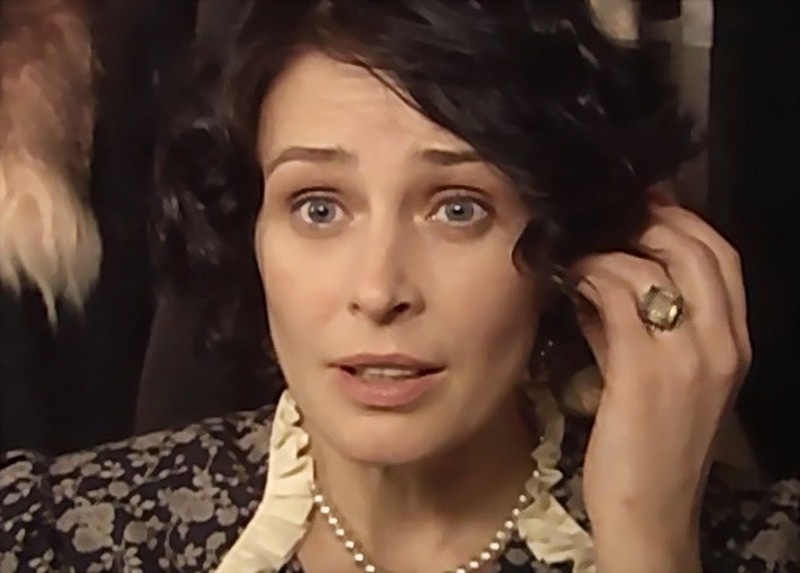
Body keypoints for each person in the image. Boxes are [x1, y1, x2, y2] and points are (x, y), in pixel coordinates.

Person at [1, 1, 798, 572]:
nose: (379, 290)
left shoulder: (765, 545)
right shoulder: (61, 533)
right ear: (249, 232)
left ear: (572, 245)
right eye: (319, 207)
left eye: (458, 208)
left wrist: (647, 541)